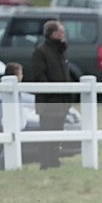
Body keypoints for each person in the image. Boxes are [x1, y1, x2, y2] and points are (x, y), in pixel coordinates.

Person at [31, 20, 72, 170]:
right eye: (60, 31)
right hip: (48, 101)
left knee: (58, 132)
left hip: (61, 100)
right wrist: (53, 92)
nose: (63, 34)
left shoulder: (60, 51)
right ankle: (45, 162)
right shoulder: (41, 51)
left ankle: (55, 160)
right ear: (53, 34)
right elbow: (39, 76)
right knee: (47, 132)